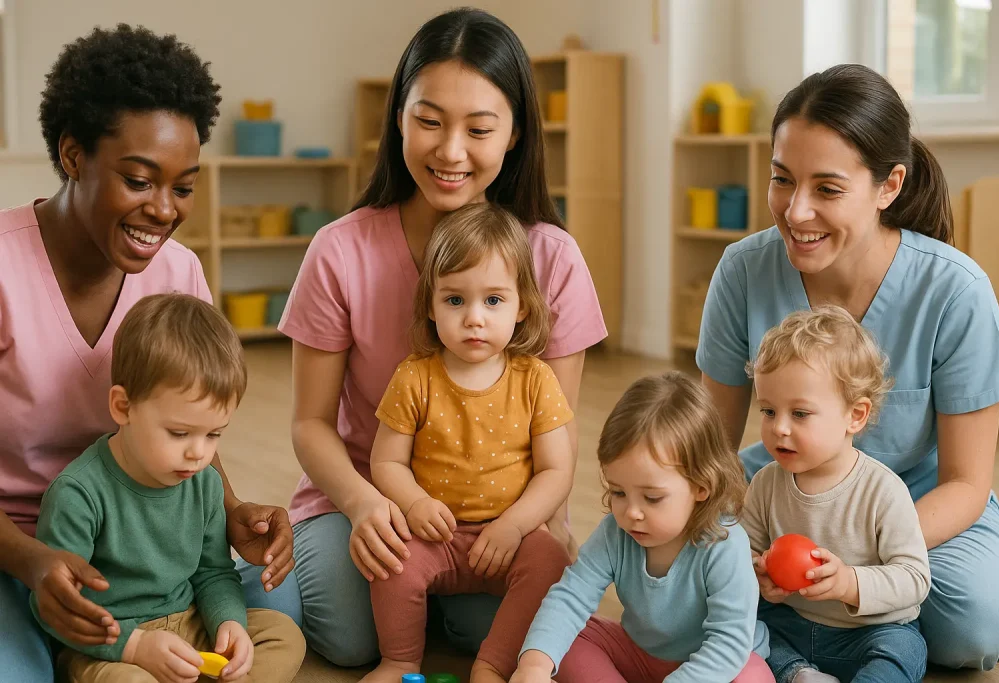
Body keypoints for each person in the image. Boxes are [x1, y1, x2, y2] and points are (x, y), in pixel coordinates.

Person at [248, 7, 607, 666]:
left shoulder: (552, 257)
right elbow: (310, 423)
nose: (451, 151)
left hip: (498, 513)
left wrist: (540, 526)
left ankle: (434, 603)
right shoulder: (339, 250)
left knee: (512, 632)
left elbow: (557, 434)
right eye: (430, 121)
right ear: (399, 118)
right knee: (352, 639)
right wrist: (363, 503)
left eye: (479, 129)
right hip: (368, 495)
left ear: (515, 134)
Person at [697, 62, 999, 670]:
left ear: (888, 186)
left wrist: (856, 560)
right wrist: (741, 545)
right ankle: (845, 636)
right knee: (682, 582)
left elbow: (966, 483)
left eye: (827, 189)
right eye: (781, 179)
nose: (796, 211)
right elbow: (710, 449)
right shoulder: (742, 271)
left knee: (976, 624)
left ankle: (826, 624)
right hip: (781, 493)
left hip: (919, 504)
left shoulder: (956, 290)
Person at [0, 25, 295, 683]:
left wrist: (231, 512)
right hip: (16, 542)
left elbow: (192, 420)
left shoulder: (178, 271)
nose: (163, 211)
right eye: (139, 180)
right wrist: (31, 561)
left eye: (182, 188)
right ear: (73, 155)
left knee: (283, 608)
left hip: (147, 525)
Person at [30, 294, 306, 683]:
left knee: (283, 636)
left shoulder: (205, 484)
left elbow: (213, 572)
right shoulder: (78, 494)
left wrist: (229, 624)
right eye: (179, 433)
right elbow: (54, 607)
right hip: (111, 644)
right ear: (123, 407)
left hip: (188, 624)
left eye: (213, 434)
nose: (199, 453)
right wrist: (133, 646)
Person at [363, 203, 574, 683]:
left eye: (493, 300)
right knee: (393, 561)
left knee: (551, 562)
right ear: (431, 306)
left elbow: (556, 470)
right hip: (434, 536)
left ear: (523, 306)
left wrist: (515, 526)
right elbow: (386, 461)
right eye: (455, 300)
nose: (474, 319)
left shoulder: (535, 379)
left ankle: (493, 665)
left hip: (510, 536)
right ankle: (399, 660)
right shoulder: (414, 377)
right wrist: (414, 504)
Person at [512, 372, 773, 683]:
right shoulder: (615, 533)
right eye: (618, 492)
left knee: (753, 676)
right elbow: (571, 596)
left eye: (652, 498)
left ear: (702, 486)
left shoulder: (725, 544)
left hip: (715, 667)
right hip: (640, 655)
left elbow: (728, 644)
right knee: (567, 642)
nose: (632, 512)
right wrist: (534, 665)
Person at [742, 306, 930, 683]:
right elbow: (742, 551)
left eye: (799, 414)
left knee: (906, 649)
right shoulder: (764, 483)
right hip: (789, 622)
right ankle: (799, 674)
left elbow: (914, 579)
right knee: (742, 630)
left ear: (855, 416)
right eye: (768, 411)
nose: (779, 428)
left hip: (867, 631)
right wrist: (758, 573)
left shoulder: (882, 491)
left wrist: (848, 583)